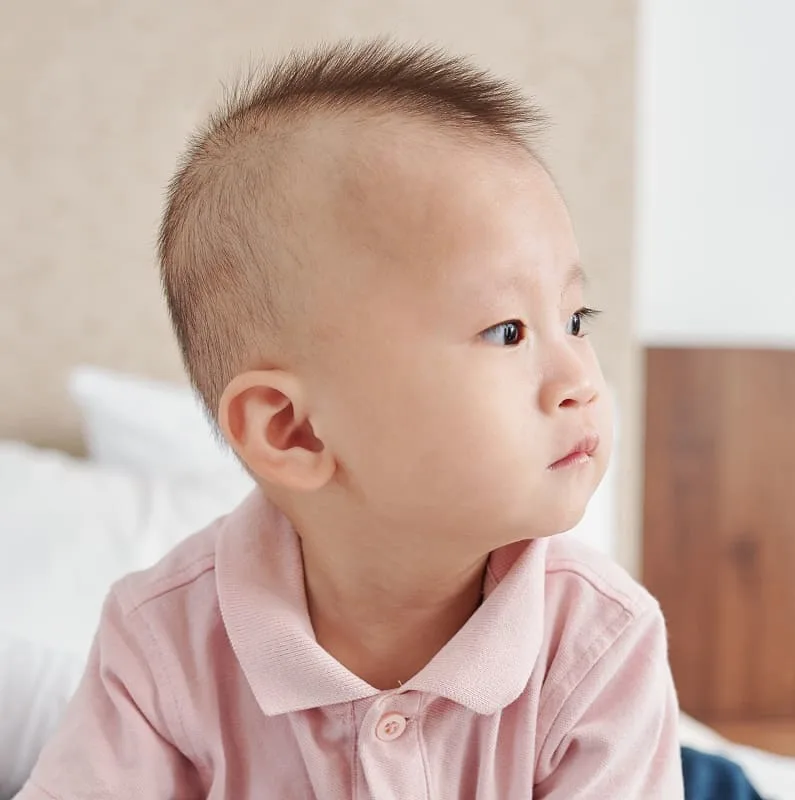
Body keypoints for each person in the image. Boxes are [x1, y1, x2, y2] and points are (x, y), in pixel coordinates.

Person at [17, 40, 684, 798]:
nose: (578, 381)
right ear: (294, 432)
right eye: (506, 331)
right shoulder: (160, 646)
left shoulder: (601, 643)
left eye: (574, 318)